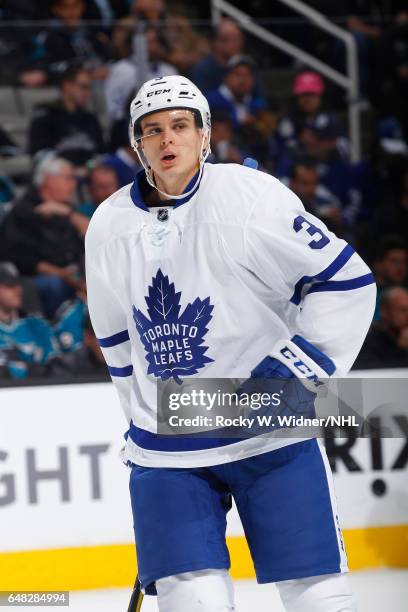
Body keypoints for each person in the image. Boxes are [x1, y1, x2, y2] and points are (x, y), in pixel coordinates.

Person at [85, 75, 376, 611]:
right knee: (194, 602)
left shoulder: (250, 196)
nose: (167, 139)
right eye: (152, 131)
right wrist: (140, 422)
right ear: (137, 143)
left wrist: (298, 368)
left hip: (269, 429)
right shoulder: (108, 224)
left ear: (204, 134)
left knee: (320, 599)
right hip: (169, 450)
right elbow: (117, 341)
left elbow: (348, 281)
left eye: (179, 126)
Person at [2, 157, 88, 318]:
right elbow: (22, 257)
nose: (74, 184)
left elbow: (93, 231)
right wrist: (62, 274)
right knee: (54, 285)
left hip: (74, 275)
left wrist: (67, 213)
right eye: (68, 178)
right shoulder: (23, 211)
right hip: (35, 280)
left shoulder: (67, 209)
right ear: (49, 180)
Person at [28, 64, 105, 167]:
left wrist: (88, 169)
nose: (88, 93)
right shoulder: (45, 115)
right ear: (67, 85)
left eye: (89, 88)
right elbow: (39, 154)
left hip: (90, 173)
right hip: (57, 173)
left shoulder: (90, 118)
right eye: (83, 87)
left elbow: (102, 153)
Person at [0, 262, 59, 379]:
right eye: (10, 285)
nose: (18, 290)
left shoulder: (37, 324)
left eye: (18, 284)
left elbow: (56, 366)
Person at [354, 286, 408, 369]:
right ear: (385, 311)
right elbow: (374, 372)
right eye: (402, 310)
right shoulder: (367, 341)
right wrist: (401, 349)